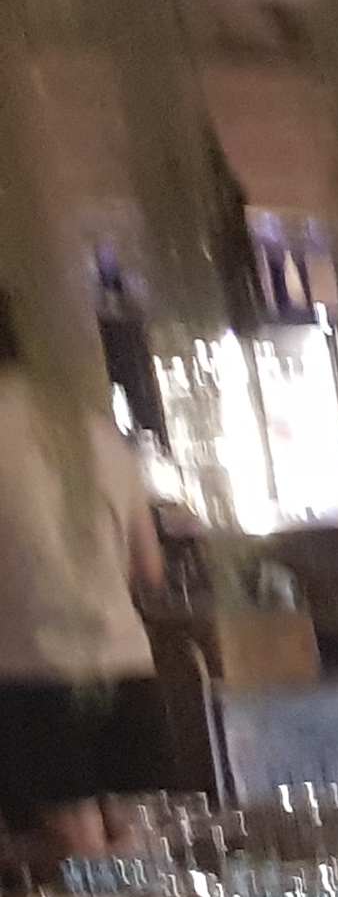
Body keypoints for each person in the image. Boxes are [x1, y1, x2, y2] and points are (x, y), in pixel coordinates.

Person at [0, 294, 170, 850]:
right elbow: (149, 568)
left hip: (31, 673)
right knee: (141, 854)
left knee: (78, 865)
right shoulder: (93, 431)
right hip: (125, 666)